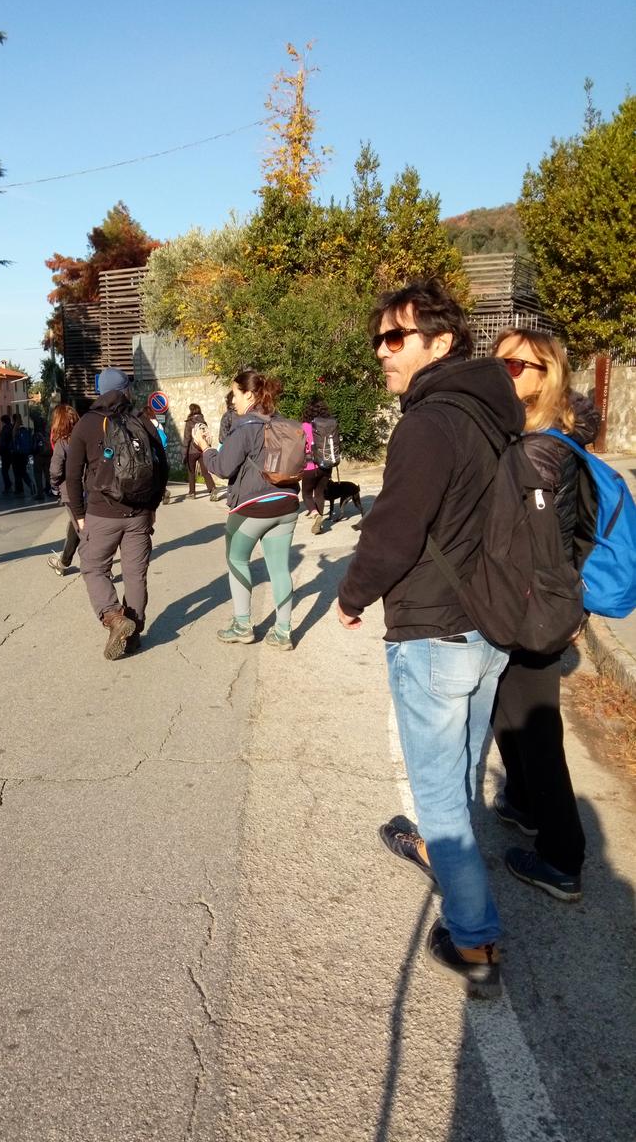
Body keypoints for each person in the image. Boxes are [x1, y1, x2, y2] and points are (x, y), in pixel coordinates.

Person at [335, 279, 524, 999]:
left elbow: (396, 527)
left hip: (435, 632)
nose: (383, 351)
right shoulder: (493, 416)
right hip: (488, 628)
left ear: (441, 342)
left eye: (397, 337)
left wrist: (353, 596)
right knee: (462, 776)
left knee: (440, 799)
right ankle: (455, 867)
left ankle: (473, 939)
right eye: (378, 338)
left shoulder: (428, 423)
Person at [490, 329, 599, 902]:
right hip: (545, 598)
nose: (500, 372)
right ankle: (525, 803)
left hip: (534, 604)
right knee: (510, 711)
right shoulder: (545, 437)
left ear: (545, 374)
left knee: (536, 729)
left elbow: (512, 540)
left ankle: (562, 858)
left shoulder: (537, 450)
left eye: (514, 366)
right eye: (498, 363)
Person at [193, 369, 300, 651]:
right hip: (288, 503)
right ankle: (283, 632)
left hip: (252, 507)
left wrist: (205, 447)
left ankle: (242, 625)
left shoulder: (244, 426)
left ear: (249, 394)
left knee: (237, 559)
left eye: (236, 394)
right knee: (279, 567)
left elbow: (221, 467)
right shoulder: (281, 423)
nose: (233, 401)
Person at [66, 367, 168, 658]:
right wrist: (153, 506)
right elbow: (159, 466)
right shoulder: (142, 422)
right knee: (136, 575)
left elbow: (72, 475)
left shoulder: (86, 423)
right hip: (138, 513)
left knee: (94, 567)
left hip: (102, 512)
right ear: (126, 391)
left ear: (101, 392)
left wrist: (79, 513)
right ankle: (134, 634)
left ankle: (113, 616)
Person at [47, 403, 81, 576]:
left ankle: (102, 570)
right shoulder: (85, 438)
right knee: (76, 525)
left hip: (71, 492)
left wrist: (54, 487)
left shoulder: (62, 442)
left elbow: (55, 470)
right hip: (89, 488)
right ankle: (64, 562)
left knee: (83, 530)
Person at [300, 398, 333, 535]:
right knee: (319, 493)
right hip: (326, 464)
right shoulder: (330, 425)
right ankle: (318, 524)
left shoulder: (305, 426)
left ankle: (315, 514)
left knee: (307, 494)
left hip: (310, 466)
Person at [183, 403, 218, 499]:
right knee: (205, 471)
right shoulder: (204, 422)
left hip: (192, 451)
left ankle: (192, 493)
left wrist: (184, 454)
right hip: (202, 450)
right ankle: (213, 489)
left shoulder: (189, 422)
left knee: (191, 472)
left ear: (191, 411)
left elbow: (187, 439)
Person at [141, 405, 171, 505]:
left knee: (152, 474)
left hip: (151, 452)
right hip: (162, 450)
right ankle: (164, 490)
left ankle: (154, 494)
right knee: (161, 473)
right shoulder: (158, 424)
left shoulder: (145, 424)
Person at [11, 411, 36, 496]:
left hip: (16, 454)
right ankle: (30, 484)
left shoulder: (15, 430)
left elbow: (13, 439)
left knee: (17, 472)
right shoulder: (25, 430)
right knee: (23, 471)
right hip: (24, 454)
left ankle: (20, 490)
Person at [31, 413, 52, 501]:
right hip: (48, 456)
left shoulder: (35, 434)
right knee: (48, 475)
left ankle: (40, 493)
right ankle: (52, 490)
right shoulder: (47, 433)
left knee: (38, 474)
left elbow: (33, 447)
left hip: (38, 456)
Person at [0, 413, 14, 493]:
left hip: (6, 453)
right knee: (16, 470)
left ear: (3, 421)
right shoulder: (12, 427)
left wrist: (1, 450)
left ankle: (8, 486)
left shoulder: (5, 429)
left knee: (4, 471)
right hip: (13, 451)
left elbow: (3, 442)